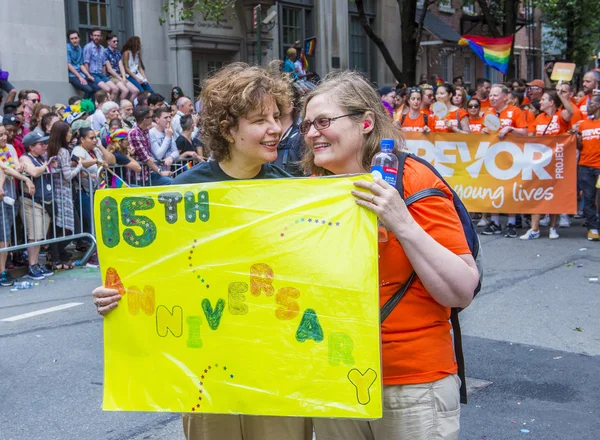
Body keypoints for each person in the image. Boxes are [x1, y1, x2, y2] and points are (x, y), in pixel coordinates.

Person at [92, 61, 313, 440]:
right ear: (227, 128)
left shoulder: (296, 194)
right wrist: (114, 295)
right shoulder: (182, 193)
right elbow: (151, 274)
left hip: (277, 367)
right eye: (260, 119)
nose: (275, 128)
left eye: (277, 116)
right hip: (206, 375)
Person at [300, 70, 479, 440]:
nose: (312, 133)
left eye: (323, 121)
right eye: (305, 126)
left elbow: (462, 290)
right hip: (337, 379)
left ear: (366, 121)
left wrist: (403, 223)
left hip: (411, 385)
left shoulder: (413, 180)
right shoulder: (313, 192)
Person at [520, 89, 575, 240]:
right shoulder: (538, 119)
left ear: (551, 102)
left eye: (544, 99)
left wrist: (563, 96)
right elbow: (530, 138)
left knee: (554, 195)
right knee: (536, 194)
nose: (540, 101)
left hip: (557, 162)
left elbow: (570, 111)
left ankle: (553, 227)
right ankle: (534, 229)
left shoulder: (560, 117)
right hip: (540, 163)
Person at [72, 127, 116, 266]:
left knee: (99, 221)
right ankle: (92, 255)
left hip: (97, 190)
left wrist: (101, 147)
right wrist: (95, 161)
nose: (93, 140)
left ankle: (98, 252)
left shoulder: (95, 149)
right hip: (84, 192)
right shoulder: (78, 150)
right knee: (92, 223)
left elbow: (112, 161)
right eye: (91, 138)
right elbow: (78, 163)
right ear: (82, 139)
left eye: (95, 137)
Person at [0, 124, 36, 286]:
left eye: (4, 134)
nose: (3, 138)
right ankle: (2, 272)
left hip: (10, 196)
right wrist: (25, 178)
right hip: (2, 198)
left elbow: (13, 164)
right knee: (4, 236)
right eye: (0, 135)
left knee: (6, 235)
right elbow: (5, 169)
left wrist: (20, 167)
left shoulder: (9, 148)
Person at [19, 131, 57, 280]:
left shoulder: (42, 158)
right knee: (34, 235)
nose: (45, 146)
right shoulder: (25, 158)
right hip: (31, 201)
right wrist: (47, 165)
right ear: (31, 147)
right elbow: (34, 172)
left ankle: (36, 263)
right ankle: (32, 265)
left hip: (45, 201)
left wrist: (49, 164)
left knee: (40, 236)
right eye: (41, 144)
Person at [46, 121, 84, 269]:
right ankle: (55, 257)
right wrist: (80, 166)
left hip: (54, 192)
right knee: (68, 228)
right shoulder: (63, 151)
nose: (71, 135)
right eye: (68, 132)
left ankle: (57, 257)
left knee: (59, 228)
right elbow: (67, 175)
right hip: (63, 192)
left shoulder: (51, 149)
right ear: (62, 134)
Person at [128, 106, 173, 186]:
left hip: (149, 173)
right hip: (139, 177)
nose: (153, 119)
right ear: (145, 119)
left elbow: (149, 155)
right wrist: (160, 172)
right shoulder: (134, 133)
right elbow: (146, 159)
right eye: (151, 117)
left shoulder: (145, 131)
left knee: (172, 182)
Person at [576, 94, 600, 241]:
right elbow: (580, 146)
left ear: (598, 105)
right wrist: (577, 139)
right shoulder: (583, 124)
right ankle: (593, 228)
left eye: (590, 104)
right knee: (589, 198)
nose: (587, 106)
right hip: (585, 166)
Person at [83, 28, 119, 100]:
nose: (97, 37)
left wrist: (104, 76)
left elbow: (103, 64)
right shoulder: (88, 47)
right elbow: (86, 63)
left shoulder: (102, 48)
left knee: (115, 89)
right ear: (91, 36)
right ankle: (105, 107)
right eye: (95, 35)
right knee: (107, 89)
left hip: (101, 74)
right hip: (93, 74)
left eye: (98, 36)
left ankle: (109, 106)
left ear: (101, 37)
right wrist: (88, 76)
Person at [104, 32, 139, 101]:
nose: (116, 43)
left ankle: (128, 107)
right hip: (111, 77)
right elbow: (109, 69)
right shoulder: (105, 52)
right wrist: (120, 78)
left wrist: (123, 77)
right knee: (125, 90)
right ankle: (120, 108)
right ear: (108, 42)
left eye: (117, 41)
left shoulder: (117, 53)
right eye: (114, 41)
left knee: (135, 91)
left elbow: (121, 66)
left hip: (120, 76)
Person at [66, 30, 100, 100]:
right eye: (72, 39)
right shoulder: (67, 48)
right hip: (72, 76)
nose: (74, 40)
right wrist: (80, 77)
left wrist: (88, 75)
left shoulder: (79, 48)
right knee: (89, 90)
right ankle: (82, 107)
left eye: (75, 38)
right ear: (69, 40)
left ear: (79, 38)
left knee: (96, 88)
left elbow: (81, 64)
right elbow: (69, 65)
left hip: (80, 74)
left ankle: (91, 109)